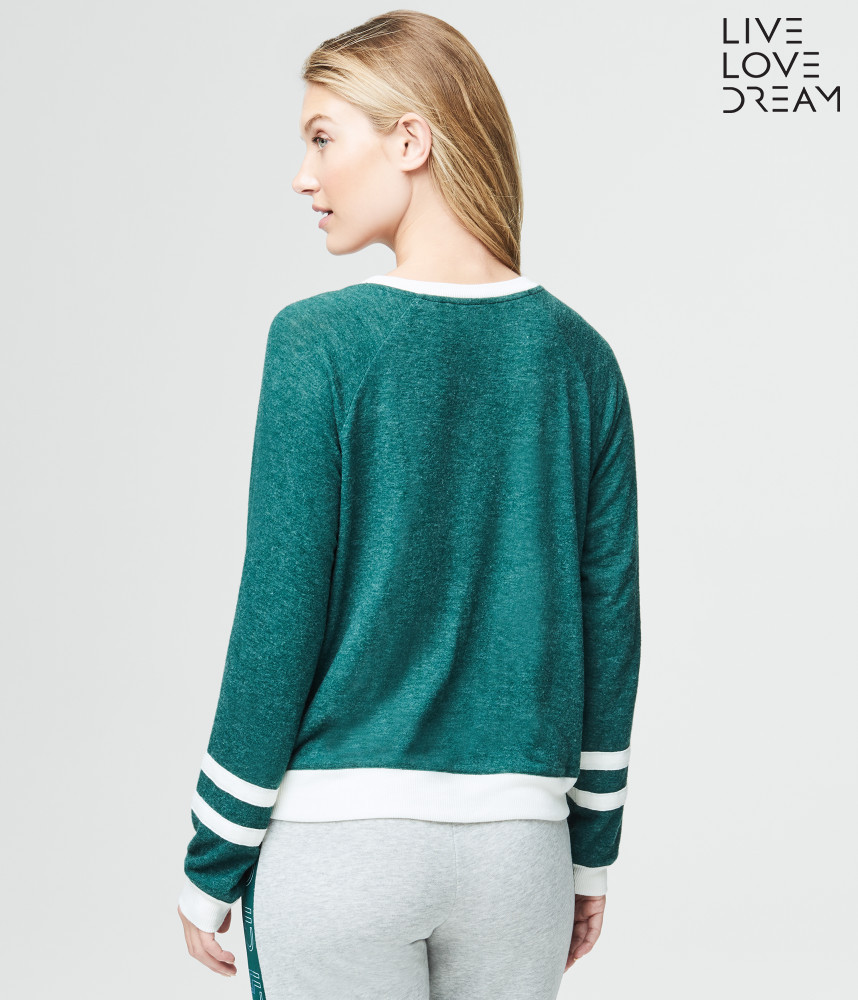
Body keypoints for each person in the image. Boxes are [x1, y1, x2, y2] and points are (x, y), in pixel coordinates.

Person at [177, 10, 641, 1000]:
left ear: (410, 141)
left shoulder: (317, 343)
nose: (303, 176)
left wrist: (214, 851)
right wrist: (590, 853)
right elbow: (612, 628)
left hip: (339, 847)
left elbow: (278, 613)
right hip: (520, 857)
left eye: (321, 137)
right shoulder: (583, 359)